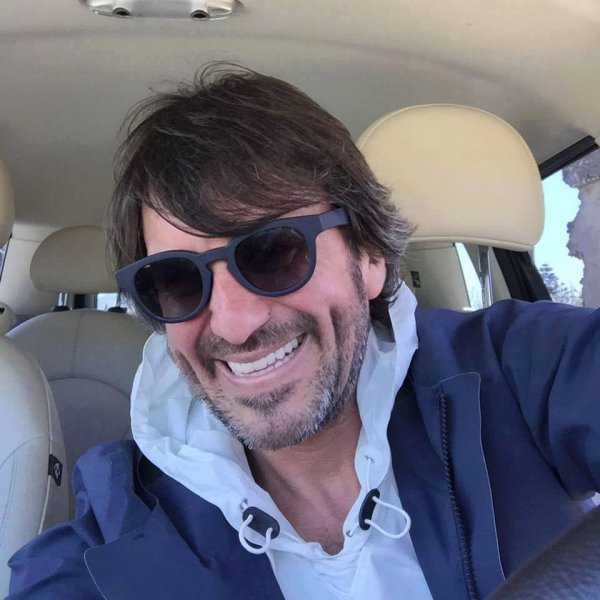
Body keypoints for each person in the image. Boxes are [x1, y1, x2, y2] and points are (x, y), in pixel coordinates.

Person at [6, 64, 600, 600]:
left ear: (369, 255)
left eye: (273, 252)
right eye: (177, 281)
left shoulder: (522, 369)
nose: (235, 323)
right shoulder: (118, 521)